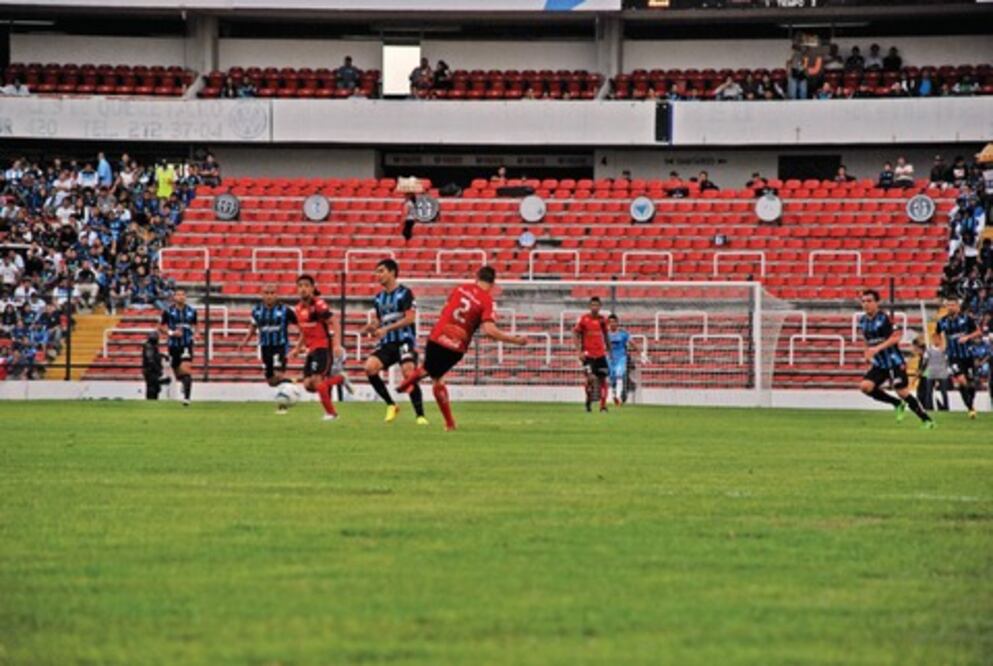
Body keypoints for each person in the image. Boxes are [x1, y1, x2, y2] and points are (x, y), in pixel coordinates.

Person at [395, 266, 526, 431]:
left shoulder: (460, 289)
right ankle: (449, 422)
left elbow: (445, 309)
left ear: (476, 277)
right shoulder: (487, 301)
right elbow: (490, 331)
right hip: (456, 345)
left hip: (438, 337)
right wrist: (514, 340)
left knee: (432, 373)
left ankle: (409, 384)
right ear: (493, 284)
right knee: (436, 377)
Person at [360, 259, 427, 425]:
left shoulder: (405, 293)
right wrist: (371, 326)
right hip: (388, 344)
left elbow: (409, 318)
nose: (378, 275)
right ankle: (391, 405)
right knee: (369, 367)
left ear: (392, 272)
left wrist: (386, 329)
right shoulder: (378, 298)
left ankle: (420, 416)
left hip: (404, 340)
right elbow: (379, 320)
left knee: (408, 373)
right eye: (376, 272)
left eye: (381, 271)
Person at [857, 289, 934, 428]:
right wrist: (866, 353)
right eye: (863, 301)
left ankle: (927, 420)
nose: (866, 304)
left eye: (869, 301)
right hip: (879, 364)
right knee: (865, 387)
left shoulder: (884, 318)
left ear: (877, 303)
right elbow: (865, 340)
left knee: (902, 392)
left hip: (894, 362)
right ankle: (896, 404)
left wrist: (877, 348)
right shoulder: (862, 321)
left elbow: (896, 336)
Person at [237, 284, 300, 411]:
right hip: (265, 348)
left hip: (280, 346)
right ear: (262, 295)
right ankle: (294, 382)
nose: (269, 296)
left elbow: (300, 325)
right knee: (271, 381)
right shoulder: (257, 311)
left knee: (278, 375)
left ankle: (283, 405)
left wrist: (301, 343)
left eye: (272, 293)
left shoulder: (285, 310)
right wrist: (245, 341)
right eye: (266, 293)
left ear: (277, 295)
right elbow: (253, 327)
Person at [292, 274, 344, 421]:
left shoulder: (319, 305)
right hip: (311, 350)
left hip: (323, 347)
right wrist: (297, 348)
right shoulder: (298, 309)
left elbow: (334, 321)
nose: (303, 289)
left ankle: (332, 414)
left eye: (306, 286)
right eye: (300, 286)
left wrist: (337, 344)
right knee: (308, 385)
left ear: (312, 288)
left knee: (317, 380)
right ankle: (338, 379)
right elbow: (304, 331)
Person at [934, 296, 983, 418]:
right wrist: (939, 345)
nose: (950, 307)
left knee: (971, 384)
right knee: (961, 380)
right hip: (953, 356)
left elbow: (979, 332)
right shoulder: (942, 321)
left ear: (958, 306)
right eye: (948, 305)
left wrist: (967, 337)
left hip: (968, 355)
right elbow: (936, 334)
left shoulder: (967, 319)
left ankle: (970, 403)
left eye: (953, 305)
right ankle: (970, 408)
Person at [159, 288, 196, 406]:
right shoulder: (168, 311)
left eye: (183, 294)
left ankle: (187, 398)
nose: (180, 297)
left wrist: (197, 334)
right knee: (178, 372)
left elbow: (196, 326)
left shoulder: (192, 311)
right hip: (173, 345)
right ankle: (184, 384)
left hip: (186, 345)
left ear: (185, 297)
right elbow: (161, 327)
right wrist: (171, 333)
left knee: (186, 370)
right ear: (174, 297)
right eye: (178, 295)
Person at [574, 296, 612, 413]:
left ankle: (603, 406)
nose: (595, 307)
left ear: (600, 307)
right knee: (590, 379)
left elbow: (606, 335)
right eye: (593, 305)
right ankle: (588, 401)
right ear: (589, 306)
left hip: (600, 355)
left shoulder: (603, 320)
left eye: (597, 305)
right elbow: (576, 334)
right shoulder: (583, 319)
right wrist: (579, 351)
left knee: (603, 380)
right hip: (588, 355)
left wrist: (609, 350)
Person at [607, 314, 633, 406]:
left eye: (614, 322)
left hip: (621, 358)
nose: (612, 324)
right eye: (610, 322)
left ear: (617, 323)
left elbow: (632, 343)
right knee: (612, 378)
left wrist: (641, 353)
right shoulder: (606, 335)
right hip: (610, 359)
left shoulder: (623, 334)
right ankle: (614, 394)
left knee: (619, 375)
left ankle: (618, 397)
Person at [141, 330, 168, 400]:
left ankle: (153, 400)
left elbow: (154, 356)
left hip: (151, 370)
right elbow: (150, 360)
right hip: (151, 371)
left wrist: (163, 356)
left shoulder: (151, 346)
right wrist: (158, 369)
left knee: (155, 387)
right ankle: (151, 401)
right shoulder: (149, 346)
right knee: (152, 388)